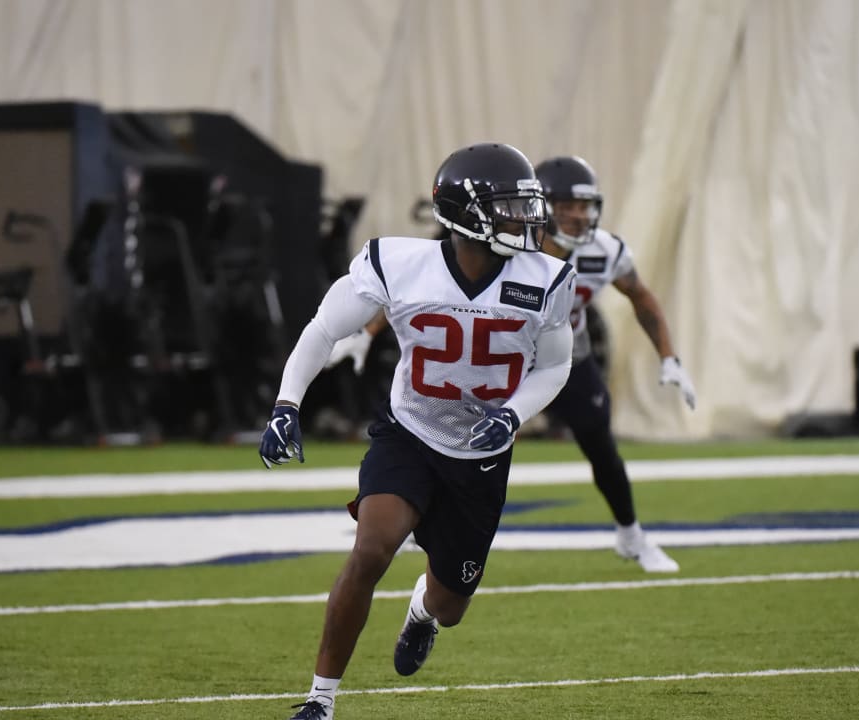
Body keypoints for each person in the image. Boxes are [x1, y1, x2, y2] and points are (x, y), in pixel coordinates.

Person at [259, 142, 577, 720]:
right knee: (371, 548)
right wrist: (287, 404)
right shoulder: (399, 262)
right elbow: (324, 328)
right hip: (409, 432)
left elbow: (555, 365)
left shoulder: (547, 279)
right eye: (508, 207)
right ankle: (320, 700)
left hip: (481, 454)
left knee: (451, 603)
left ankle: (422, 614)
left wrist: (511, 414)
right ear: (467, 214)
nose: (524, 220)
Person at [532, 154, 696, 573]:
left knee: (602, 447)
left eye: (584, 206)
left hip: (570, 356)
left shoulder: (604, 250)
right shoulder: (509, 247)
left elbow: (641, 296)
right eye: (567, 206)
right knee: (459, 439)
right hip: (504, 357)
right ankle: (419, 521)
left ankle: (632, 536)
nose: (578, 216)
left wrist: (669, 356)